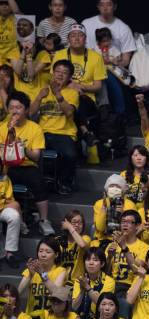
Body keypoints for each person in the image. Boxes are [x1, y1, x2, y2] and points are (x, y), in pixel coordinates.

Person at [0, 91, 54, 235]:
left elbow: (36, 156)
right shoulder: (2, 127)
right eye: (11, 108)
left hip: (28, 166)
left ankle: (44, 220)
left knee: (37, 180)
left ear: (26, 110)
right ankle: (19, 220)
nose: (14, 111)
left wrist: (22, 147)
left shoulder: (34, 128)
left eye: (18, 108)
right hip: (7, 167)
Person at [30, 59, 80, 194]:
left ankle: (65, 183)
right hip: (42, 132)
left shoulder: (72, 93)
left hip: (63, 133)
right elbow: (30, 113)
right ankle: (37, 183)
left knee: (69, 154)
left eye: (64, 73)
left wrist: (57, 94)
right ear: (52, 73)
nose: (60, 75)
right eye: (57, 71)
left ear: (69, 77)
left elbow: (69, 112)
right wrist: (39, 98)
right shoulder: (43, 90)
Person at [52, 23, 106, 145]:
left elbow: (98, 86)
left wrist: (80, 86)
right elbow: (53, 79)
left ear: (85, 39)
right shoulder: (59, 54)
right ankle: (85, 131)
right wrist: (70, 85)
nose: (76, 38)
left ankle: (83, 131)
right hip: (62, 92)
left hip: (86, 98)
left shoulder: (96, 57)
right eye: (73, 35)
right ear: (68, 39)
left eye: (80, 35)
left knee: (77, 100)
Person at [18, 236, 66, 315]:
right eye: (40, 251)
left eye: (48, 252)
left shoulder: (61, 271)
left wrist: (42, 274)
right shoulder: (31, 270)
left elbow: (56, 294)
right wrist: (30, 275)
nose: (43, 255)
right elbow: (18, 293)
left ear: (56, 254)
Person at [81, 0, 136, 68]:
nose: (105, 8)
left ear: (115, 7)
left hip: (112, 70)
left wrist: (115, 63)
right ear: (98, 6)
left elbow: (125, 60)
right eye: (102, 5)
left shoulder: (124, 28)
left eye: (109, 4)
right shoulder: (86, 24)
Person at [72, 247, 116, 319]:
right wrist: (82, 291)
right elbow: (74, 307)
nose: (91, 263)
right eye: (88, 260)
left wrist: (87, 287)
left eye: (95, 260)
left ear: (102, 264)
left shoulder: (109, 281)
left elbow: (103, 305)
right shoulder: (80, 280)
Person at [0, 158, 21, 268]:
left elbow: (9, 199)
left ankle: (10, 253)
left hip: (2, 208)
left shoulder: (5, 178)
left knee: (14, 216)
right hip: (2, 206)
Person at [0, 0, 20, 65]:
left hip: (12, 52)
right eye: (1, 4)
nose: (4, 6)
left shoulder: (16, 18)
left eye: (7, 4)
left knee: (18, 72)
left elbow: (16, 11)